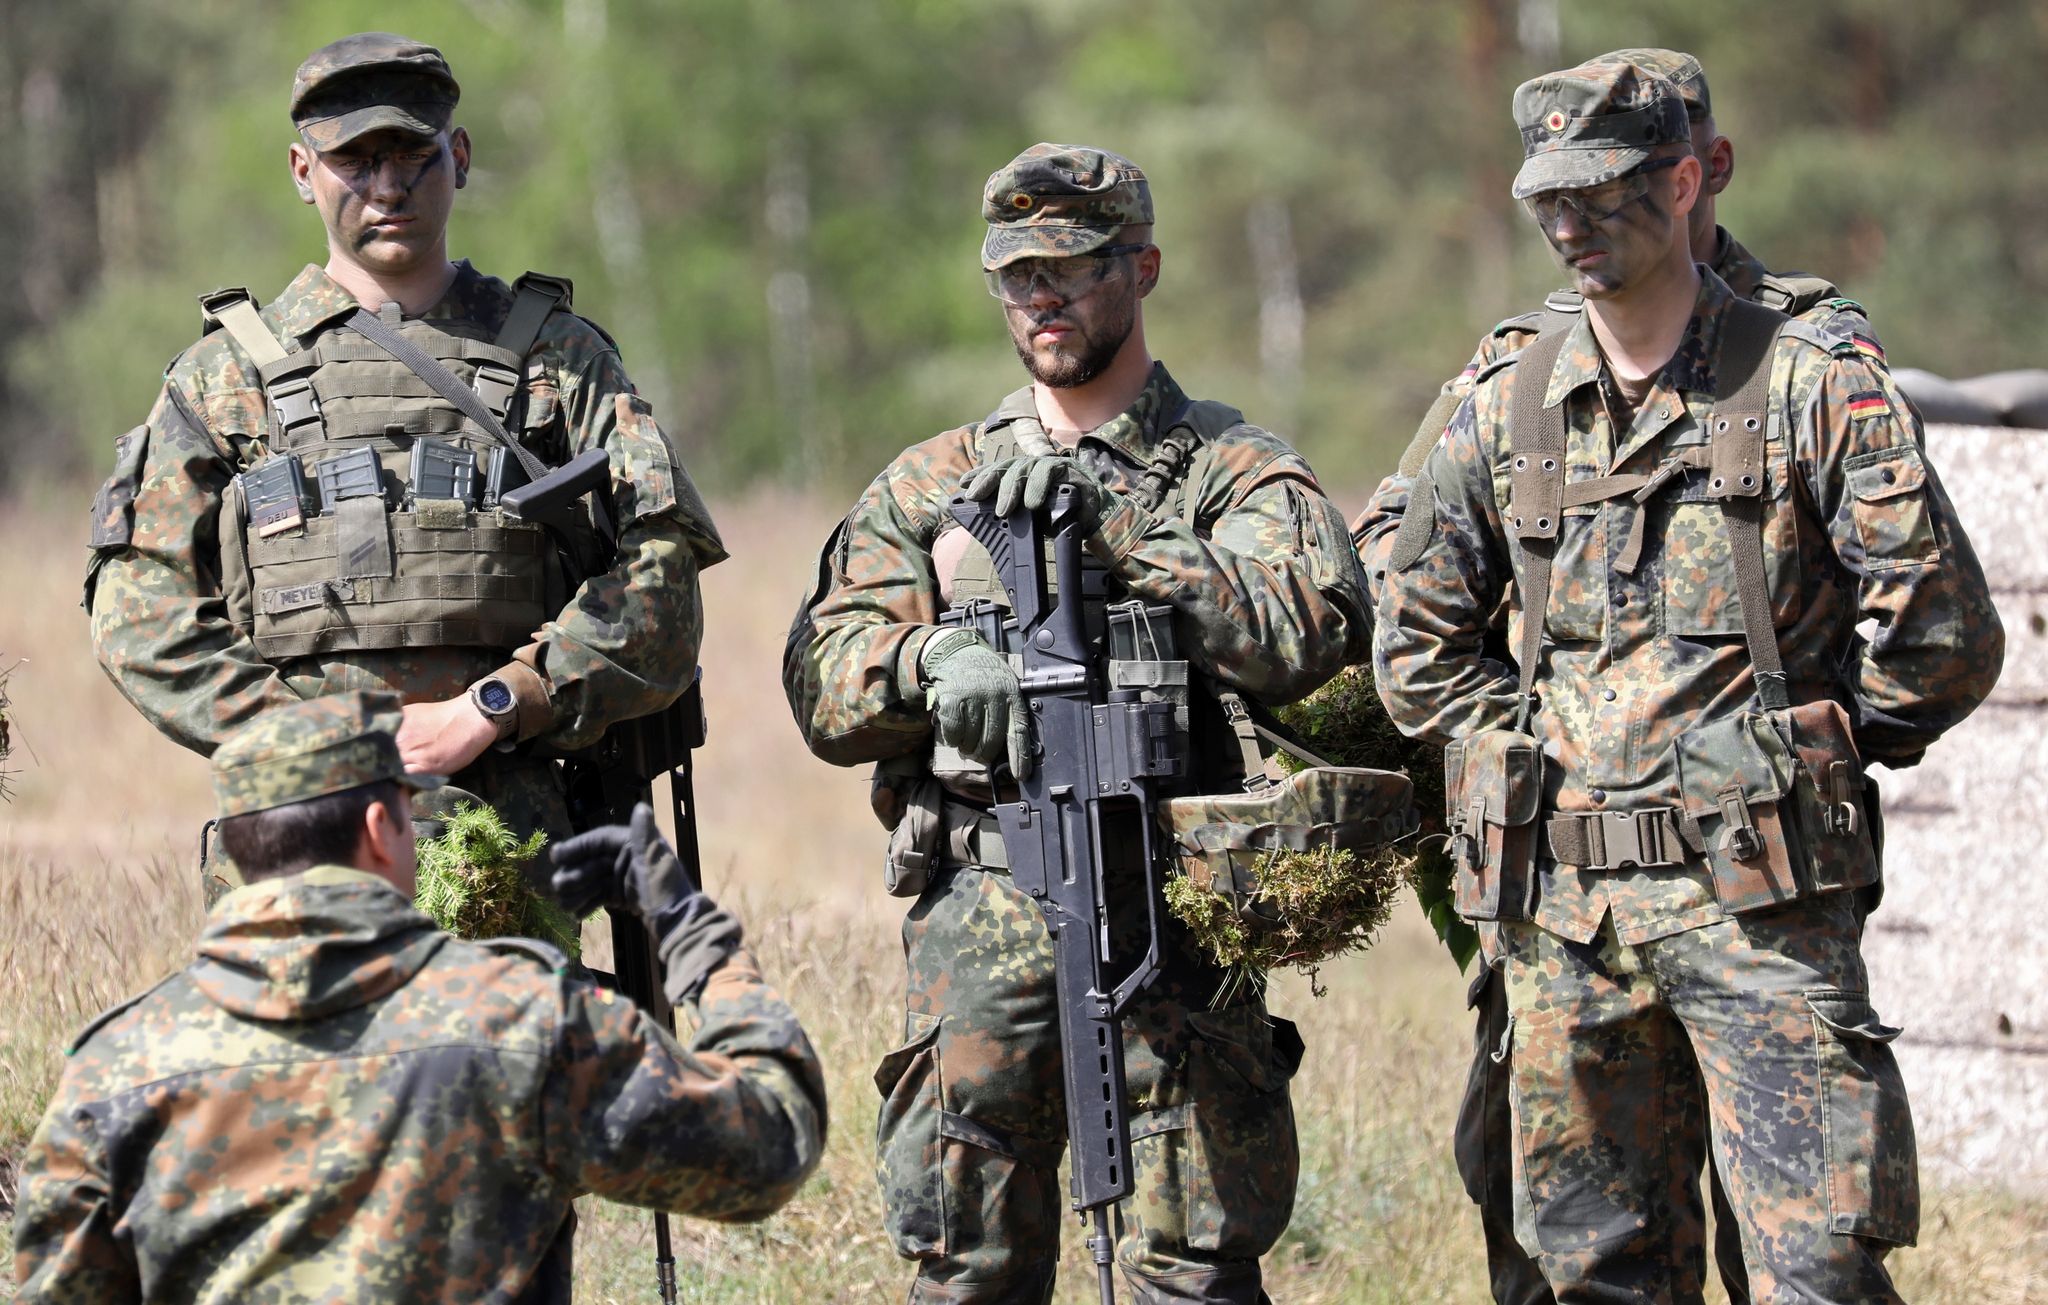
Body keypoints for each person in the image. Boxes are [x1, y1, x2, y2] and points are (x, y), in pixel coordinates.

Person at [1373, 59, 2001, 1303]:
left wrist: (1808, 751)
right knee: (1592, 1276)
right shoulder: (1505, 405)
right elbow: (1415, 642)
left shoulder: (1810, 381)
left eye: (1601, 193)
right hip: (1566, 932)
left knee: (1815, 1271)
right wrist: (1528, 760)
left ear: (1681, 176)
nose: (1568, 226)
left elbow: (1942, 634)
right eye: (1548, 201)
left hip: (1760, 915)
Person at [783, 143, 1369, 1303]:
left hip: (1174, 922)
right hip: (984, 918)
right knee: (964, 1268)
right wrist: (926, 656)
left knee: (1188, 1273)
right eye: (1016, 277)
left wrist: (1121, 541)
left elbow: (1314, 623)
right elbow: (821, 676)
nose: (1041, 299)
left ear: (1141, 268)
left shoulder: (1228, 468)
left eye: (1071, 268)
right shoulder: (935, 482)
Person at [83, 32, 722, 898]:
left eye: (413, 156)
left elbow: (664, 586)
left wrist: (499, 705)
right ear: (303, 172)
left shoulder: (562, 360)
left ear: (457, 156)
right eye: (354, 159)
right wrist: (309, 737)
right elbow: (137, 611)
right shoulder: (225, 379)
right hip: (298, 830)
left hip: (509, 837)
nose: (387, 186)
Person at [11, 691, 827, 1302]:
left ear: (238, 853)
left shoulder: (109, 1074)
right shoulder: (521, 1017)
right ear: (379, 827)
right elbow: (772, 1142)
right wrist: (689, 930)